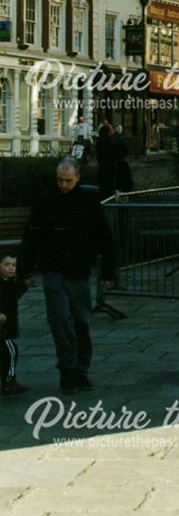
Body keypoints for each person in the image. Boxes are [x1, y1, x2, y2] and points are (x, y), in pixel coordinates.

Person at [19, 158, 116, 394]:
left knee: (81, 322)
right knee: (60, 320)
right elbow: (31, 237)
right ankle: (68, 370)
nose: (64, 185)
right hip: (54, 270)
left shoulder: (88, 203)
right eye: (60, 180)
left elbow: (105, 237)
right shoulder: (46, 201)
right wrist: (25, 269)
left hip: (79, 271)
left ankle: (81, 371)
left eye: (68, 181)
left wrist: (109, 270)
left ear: (78, 178)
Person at [0, 254, 33, 395]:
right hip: (3, 327)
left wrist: (24, 286)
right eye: (6, 265)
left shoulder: (10, 283)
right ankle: (9, 381)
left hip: (7, 326)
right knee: (11, 351)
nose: (11, 268)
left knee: (6, 351)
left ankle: (7, 381)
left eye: (13, 265)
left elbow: (14, 295)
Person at [95, 122, 117, 201]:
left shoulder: (100, 140)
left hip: (102, 164)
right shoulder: (109, 141)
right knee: (108, 182)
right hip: (108, 165)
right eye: (111, 130)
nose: (113, 132)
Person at [111, 125, 134, 193]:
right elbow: (126, 149)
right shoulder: (122, 138)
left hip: (114, 158)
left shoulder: (113, 138)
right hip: (120, 158)